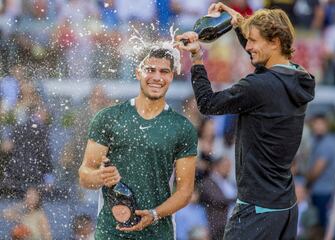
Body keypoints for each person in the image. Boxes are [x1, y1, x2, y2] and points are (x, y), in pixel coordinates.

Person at [176, 2, 315, 239]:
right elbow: (264, 63)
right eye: (247, 39)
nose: (248, 47)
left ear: (275, 42)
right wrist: (239, 22)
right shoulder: (300, 77)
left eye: (254, 40)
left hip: (257, 209)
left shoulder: (258, 87)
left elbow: (207, 103)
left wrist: (198, 58)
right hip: (285, 207)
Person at [78, 46, 198, 239]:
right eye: (150, 70)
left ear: (171, 76)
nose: (157, 77)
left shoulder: (182, 128)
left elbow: (185, 192)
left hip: (158, 233)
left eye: (164, 71)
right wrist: (101, 176)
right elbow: (85, 176)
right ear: (137, 73)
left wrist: (155, 214)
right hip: (111, 232)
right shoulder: (109, 118)